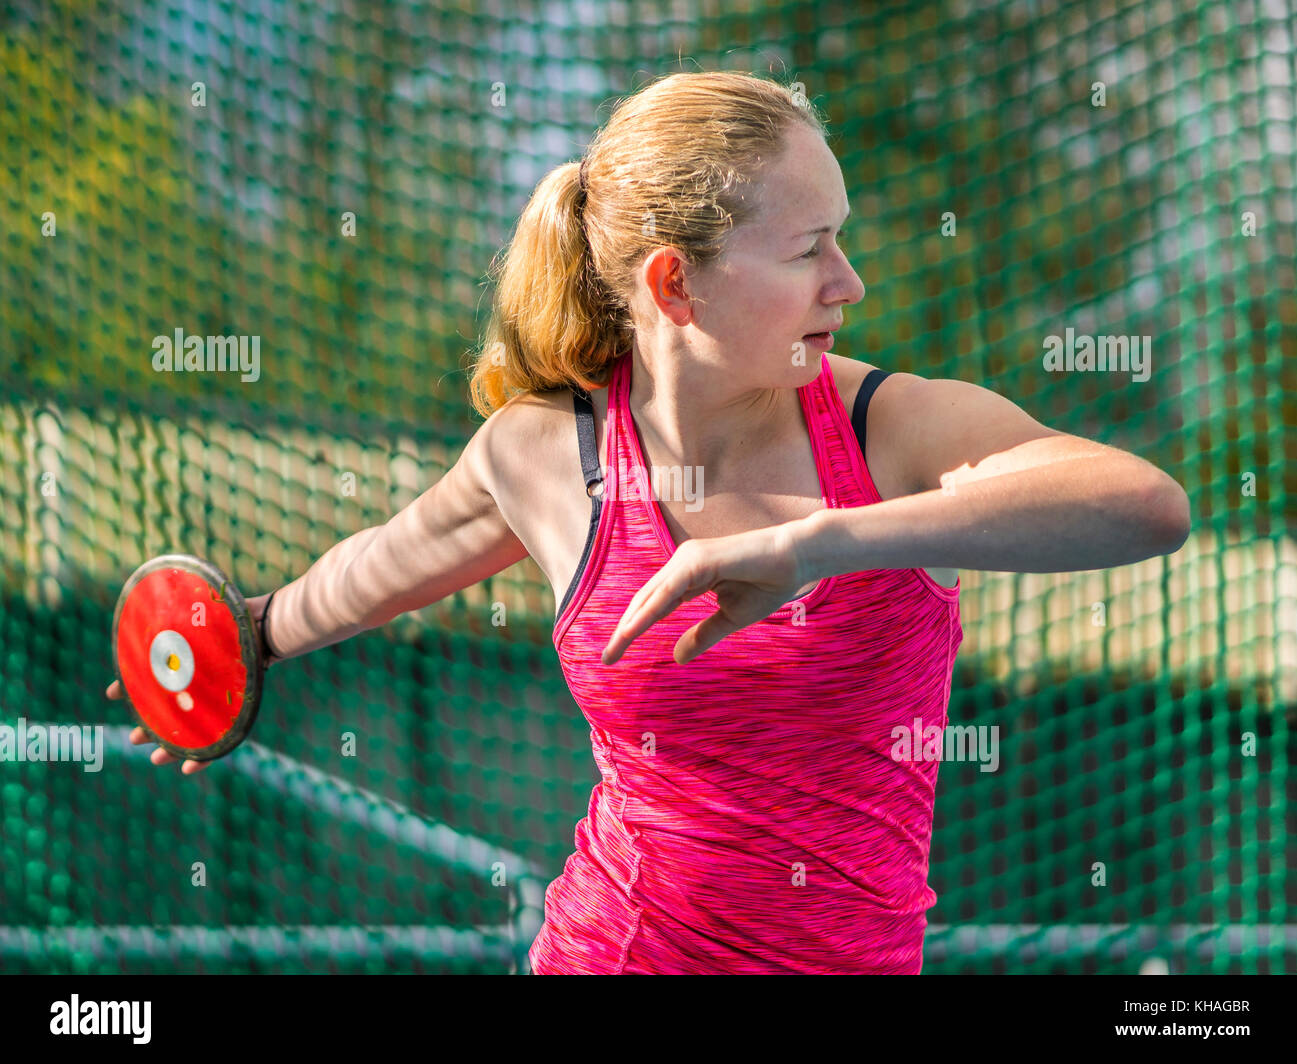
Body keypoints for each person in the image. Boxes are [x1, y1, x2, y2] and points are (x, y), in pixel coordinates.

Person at [111, 71, 1190, 973]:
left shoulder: (889, 428)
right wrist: (237, 639)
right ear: (676, 284)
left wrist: (812, 541)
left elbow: (1144, 506)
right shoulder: (542, 450)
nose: (848, 283)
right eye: (809, 249)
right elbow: (372, 569)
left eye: (841, 241)